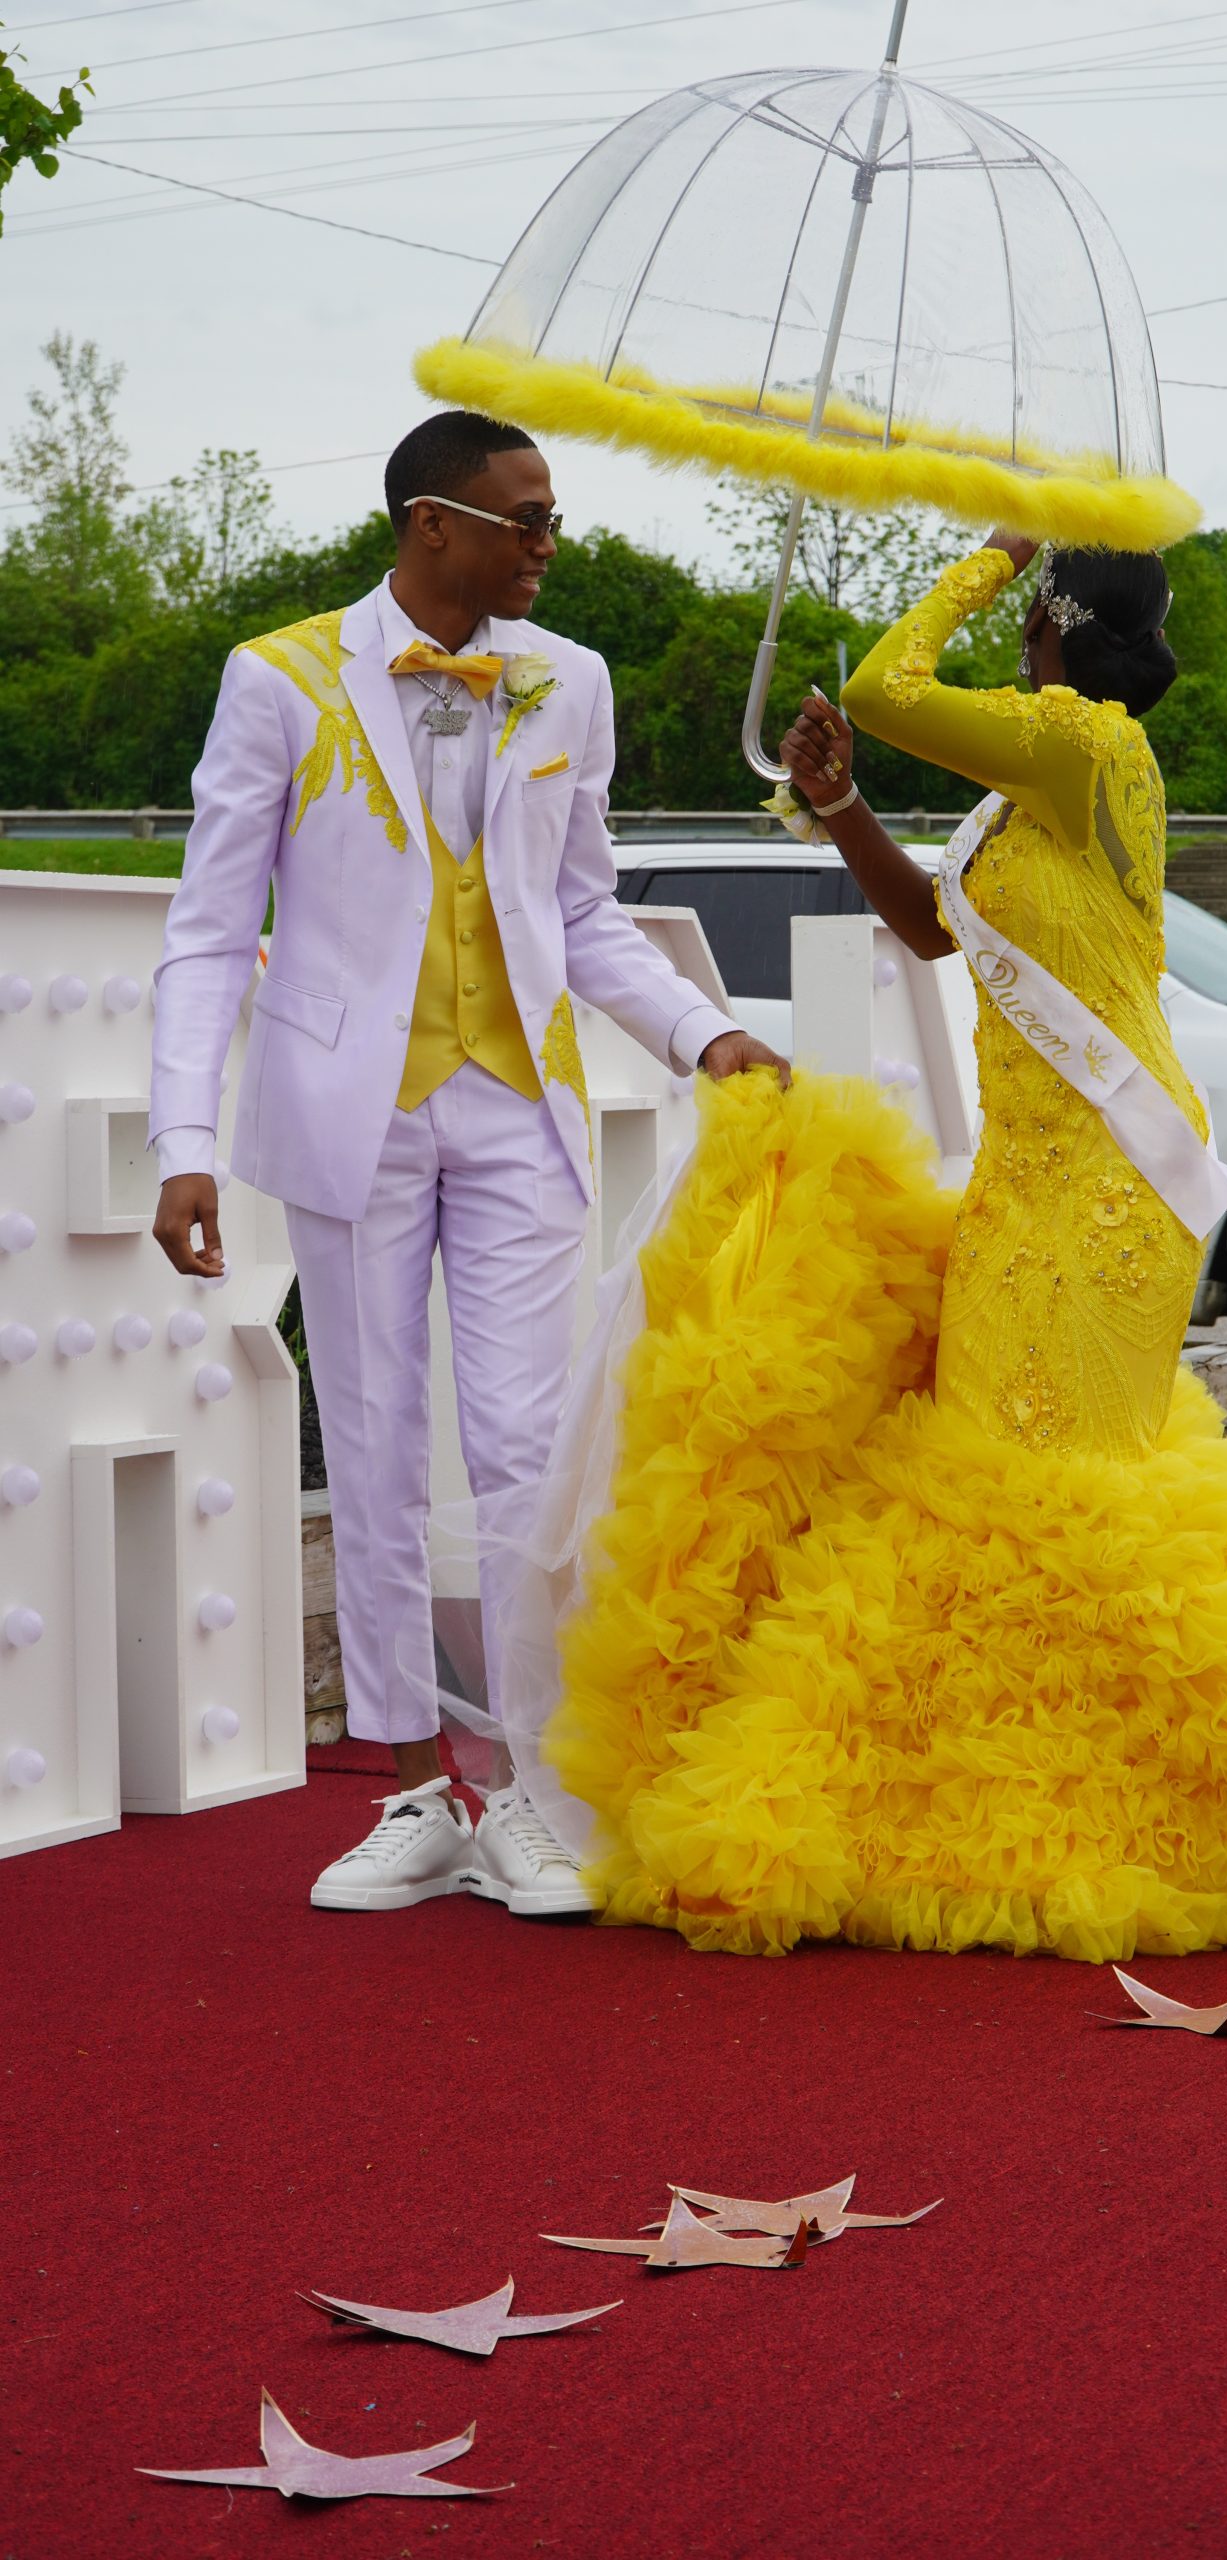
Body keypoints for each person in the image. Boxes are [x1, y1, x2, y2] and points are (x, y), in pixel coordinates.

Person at [533, 533, 1227, 1960]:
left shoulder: (1090, 746)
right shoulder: (1030, 792)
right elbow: (933, 933)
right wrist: (842, 809)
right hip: (1030, 1181)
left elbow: (889, 687)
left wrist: (985, 552)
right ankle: (1056, 1787)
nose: (1018, 626)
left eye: (1029, 604)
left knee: (1040, 1489)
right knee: (1015, 1486)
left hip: (1103, 1189)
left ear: (1055, 619)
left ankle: (1219, 1799)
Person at [149, 410, 783, 1917]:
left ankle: (530, 1796)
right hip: (345, 1107)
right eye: (528, 518)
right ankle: (413, 1792)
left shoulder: (574, 679)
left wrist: (701, 1033)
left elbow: (583, 908)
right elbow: (207, 926)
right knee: (372, 1447)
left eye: (551, 517)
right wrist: (183, 1140)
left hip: (518, 1103)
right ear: (433, 523)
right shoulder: (279, 676)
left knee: (521, 1447)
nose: (551, 543)